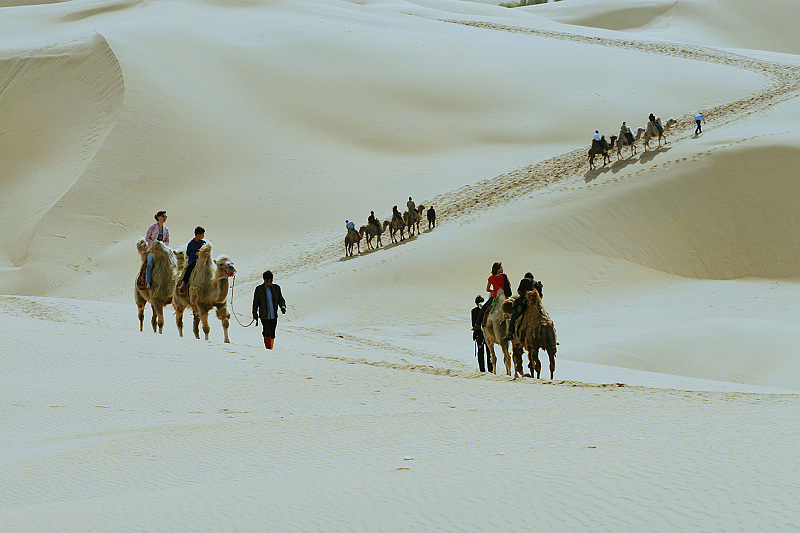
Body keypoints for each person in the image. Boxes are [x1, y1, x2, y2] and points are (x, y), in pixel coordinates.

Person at [502, 273, 542, 341]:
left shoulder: (524, 280)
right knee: (545, 318)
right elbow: (541, 297)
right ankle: (553, 339)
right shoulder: (538, 284)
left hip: (525, 304)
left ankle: (510, 333)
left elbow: (519, 291)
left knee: (514, 316)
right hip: (536, 306)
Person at [252, 270, 286, 350]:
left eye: (271, 280)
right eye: (267, 281)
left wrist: (283, 307)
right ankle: (268, 348)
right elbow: (255, 302)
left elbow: (281, 299)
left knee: (272, 332)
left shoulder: (276, 288)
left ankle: (271, 347)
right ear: (264, 280)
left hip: (273, 315)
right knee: (266, 331)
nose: (269, 282)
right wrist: (254, 313)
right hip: (264, 315)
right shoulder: (259, 289)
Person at [479, 261, 512, 326]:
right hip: (505, 297)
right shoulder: (504, 276)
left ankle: (477, 325)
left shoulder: (490, 278)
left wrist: (494, 291)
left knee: (484, 308)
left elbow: (487, 289)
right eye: (501, 268)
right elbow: (509, 285)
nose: (502, 269)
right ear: (497, 269)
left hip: (495, 297)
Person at [144, 210, 170, 290]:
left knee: (169, 263)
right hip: (152, 250)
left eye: (165, 216)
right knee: (150, 263)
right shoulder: (152, 227)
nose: (165, 218)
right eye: (163, 216)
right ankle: (148, 281)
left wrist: (162, 246)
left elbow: (167, 241)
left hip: (162, 250)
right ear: (158, 217)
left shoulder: (166, 229)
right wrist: (154, 245)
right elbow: (147, 238)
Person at [177, 226, 205, 294]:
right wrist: (195, 253)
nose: (203, 236)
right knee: (189, 269)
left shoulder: (204, 243)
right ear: (198, 235)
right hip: (194, 261)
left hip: (203, 261)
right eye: (202, 234)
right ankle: (183, 284)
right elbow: (188, 253)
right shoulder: (191, 244)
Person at [471, 295, 492, 372]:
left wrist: (474, 334)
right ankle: (490, 369)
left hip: (479, 334)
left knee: (480, 352)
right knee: (489, 351)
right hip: (487, 333)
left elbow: (474, 324)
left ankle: (482, 370)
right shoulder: (487, 310)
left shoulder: (474, 311)